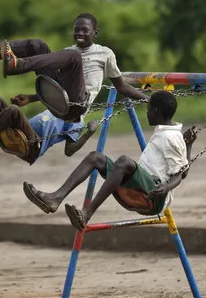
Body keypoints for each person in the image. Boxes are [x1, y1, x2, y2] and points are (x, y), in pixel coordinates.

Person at [22, 90, 197, 230]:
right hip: (143, 185)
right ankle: (55, 198)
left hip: (155, 195)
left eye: (149, 109)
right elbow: (183, 168)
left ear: (156, 112)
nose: (147, 113)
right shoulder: (166, 131)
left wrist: (166, 186)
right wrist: (188, 145)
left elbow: (181, 174)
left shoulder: (171, 138)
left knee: (124, 162)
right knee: (95, 158)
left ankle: (86, 214)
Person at [0, 12, 148, 122]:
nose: (80, 33)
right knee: (38, 45)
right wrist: (32, 98)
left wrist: (147, 98)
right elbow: (58, 86)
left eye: (85, 30)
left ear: (95, 33)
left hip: (77, 106)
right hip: (61, 100)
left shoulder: (104, 53)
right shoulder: (68, 51)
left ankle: (17, 66)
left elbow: (121, 86)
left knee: (73, 57)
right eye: (76, 30)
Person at [0, 96, 98, 164]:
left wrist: (88, 133)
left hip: (32, 146)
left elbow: (69, 151)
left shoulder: (76, 121)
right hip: (18, 136)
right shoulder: (59, 106)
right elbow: (46, 92)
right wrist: (28, 99)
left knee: (13, 111)